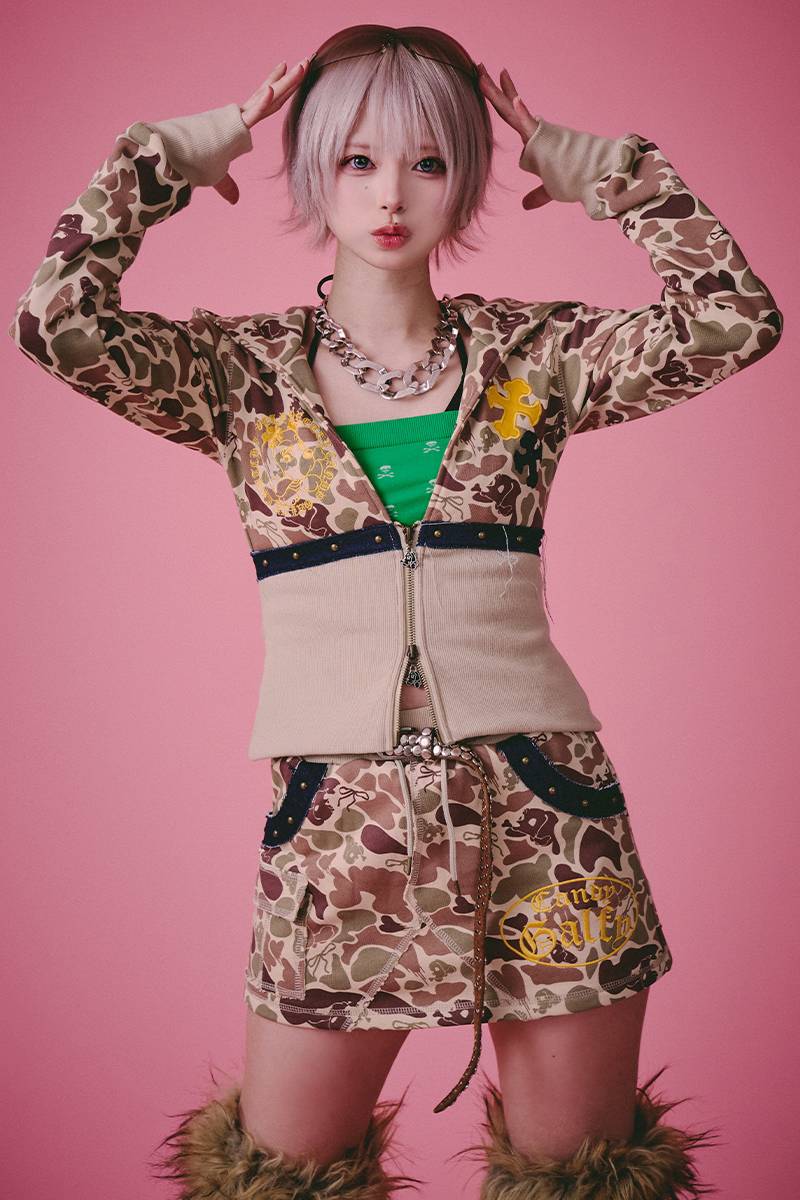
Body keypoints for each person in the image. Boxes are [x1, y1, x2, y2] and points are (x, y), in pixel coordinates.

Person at [8, 22, 782, 1200]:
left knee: (577, 1175)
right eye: (355, 159)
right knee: (281, 1174)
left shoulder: (532, 355)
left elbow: (731, 320)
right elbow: (53, 322)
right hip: (338, 817)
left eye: (428, 162)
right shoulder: (236, 374)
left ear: (466, 177)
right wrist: (158, 164)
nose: (388, 195)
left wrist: (614, 176)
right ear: (308, 168)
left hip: (547, 810)